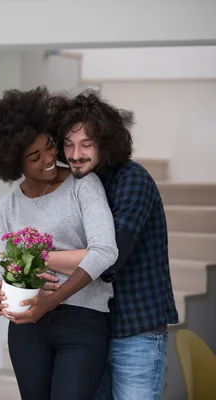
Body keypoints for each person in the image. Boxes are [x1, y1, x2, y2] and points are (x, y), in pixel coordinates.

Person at [0, 86, 119, 400]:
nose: (50, 158)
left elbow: (105, 250)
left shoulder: (84, 186)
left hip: (83, 322)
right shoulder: (5, 209)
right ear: (14, 163)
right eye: (34, 156)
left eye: (49, 147)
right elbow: (5, 270)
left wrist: (51, 300)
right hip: (27, 328)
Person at [39, 91, 178, 399]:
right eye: (69, 144)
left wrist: (40, 256)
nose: (76, 154)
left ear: (106, 143)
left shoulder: (132, 180)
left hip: (135, 328)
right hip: (90, 327)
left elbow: (110, 258)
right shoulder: (74, 185)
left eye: (86, 144)